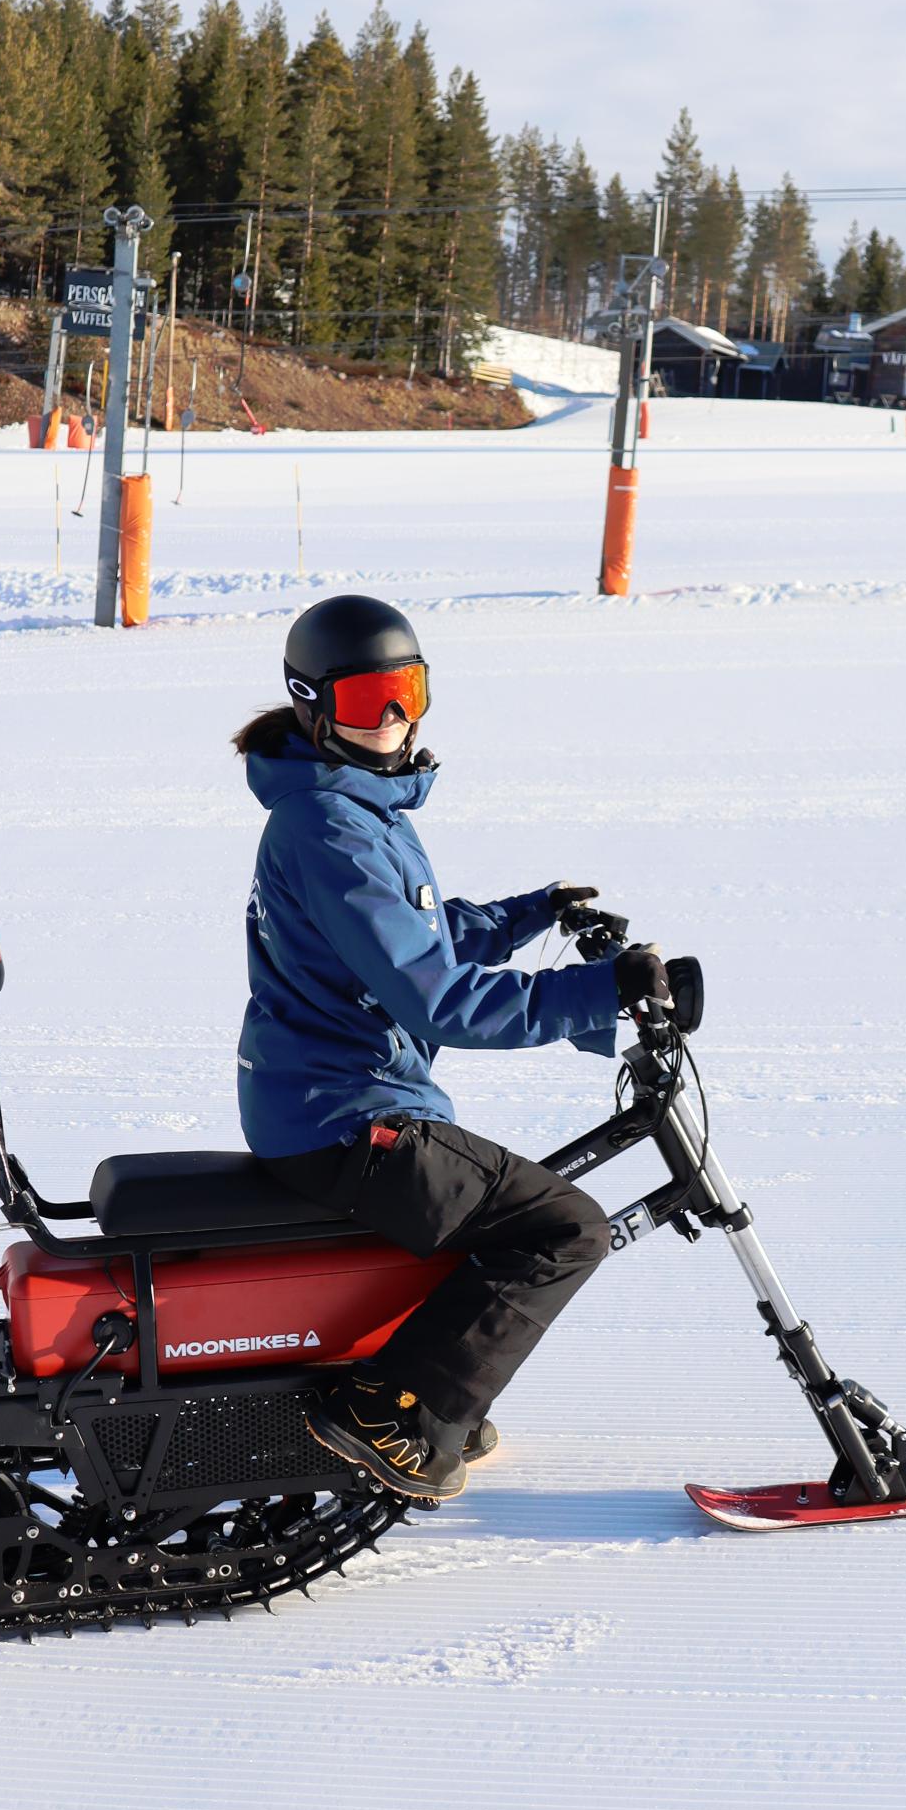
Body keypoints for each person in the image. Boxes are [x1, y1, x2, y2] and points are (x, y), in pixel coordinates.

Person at [235, 594, 671, 1505]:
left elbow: (411, 940)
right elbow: (439, 998)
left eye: (409, 691)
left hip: (335, 1099)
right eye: (368, 700)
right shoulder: (331, 827)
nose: (394, 719)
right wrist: (601, 991)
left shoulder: (352, 807)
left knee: (514, 1215)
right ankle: (396, 1414)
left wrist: (530, 914)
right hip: (346, 1116)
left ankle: (434, 1393)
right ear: (314, 705)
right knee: (565, 1229)